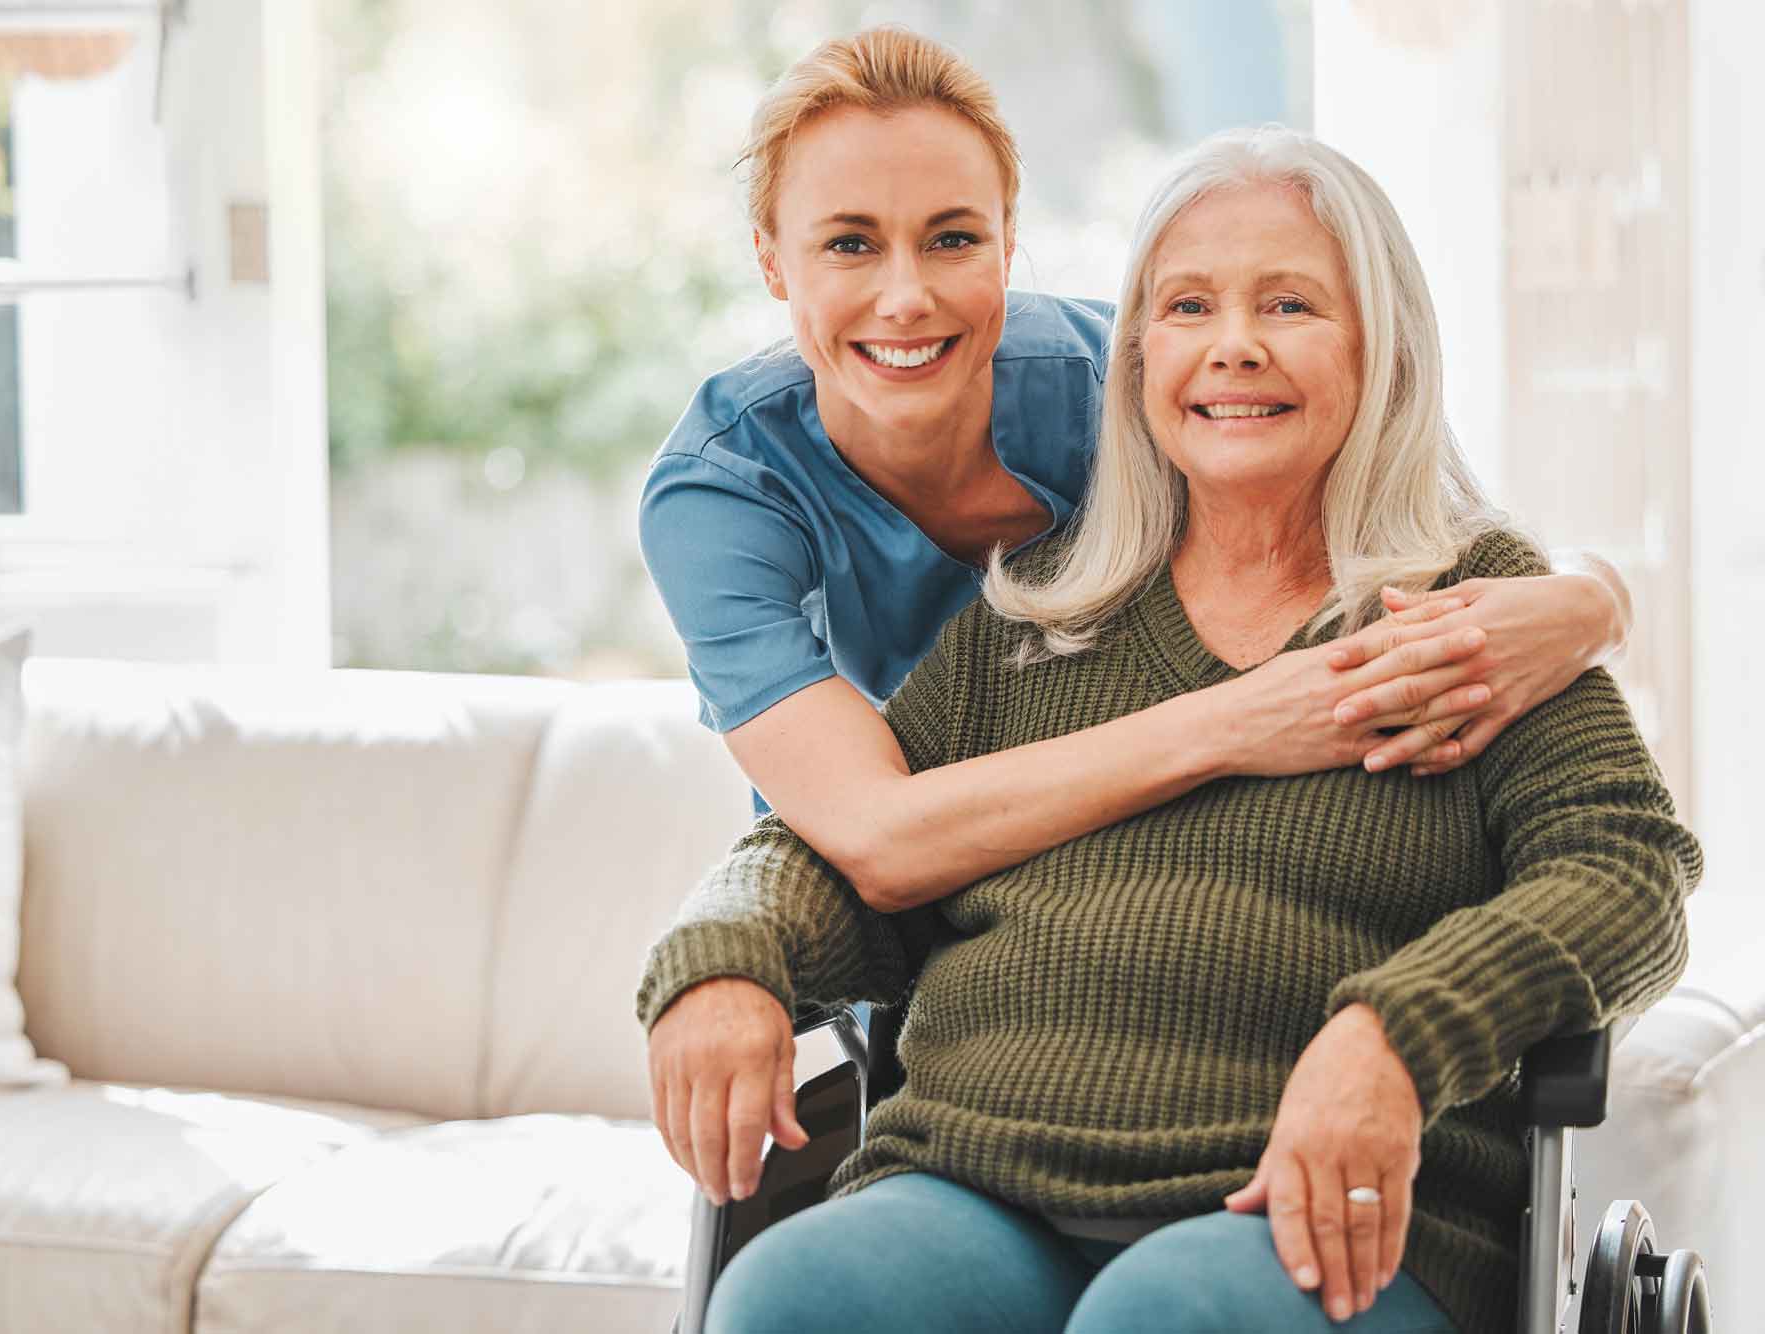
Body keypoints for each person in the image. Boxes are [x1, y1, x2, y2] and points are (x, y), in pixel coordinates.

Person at [637, 125, 1701, 1334]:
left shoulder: (1462, 616)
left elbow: (1628, 869)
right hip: (976, 1180)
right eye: (1187, 305)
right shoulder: (1037, 614)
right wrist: (724, 954)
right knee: (792, 1293)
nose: (1232, 345)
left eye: (1290, 302)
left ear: (1382, 343)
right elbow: (838, 844)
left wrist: (1396, 1033)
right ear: (1139, 354)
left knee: (1163, 1316)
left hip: (1295, 1209)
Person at [637, 27, 1633, 921]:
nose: (907, 295)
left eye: (953, 238)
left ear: (1009, 240)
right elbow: (877, 836)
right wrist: (1242, 720)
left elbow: (1406, 485)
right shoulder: (725, 490)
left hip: (1117, 886)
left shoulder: (1133, 381)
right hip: (876, 927)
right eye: (850, 244)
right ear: (772, 260)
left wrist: (1593, 597)